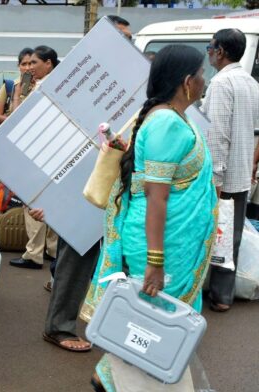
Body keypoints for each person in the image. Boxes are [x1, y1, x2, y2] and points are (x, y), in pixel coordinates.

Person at [83, 44, 216, 391]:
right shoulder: (167, 124)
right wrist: (156, 262)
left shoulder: (171, 117)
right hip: (161, 247)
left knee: (152, 324)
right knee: (151, 326)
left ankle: (109, 379)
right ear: (187, 82)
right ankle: (115, 381)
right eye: (202, 74)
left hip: (170, 242)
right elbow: (157, 199)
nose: (206, 79)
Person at [41, 16, 134, 354]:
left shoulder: (136, 86)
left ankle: (115, 326)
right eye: (117, 37)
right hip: (81, 186)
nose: (124, 44)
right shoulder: (78, 81)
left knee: (121, 261)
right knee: (77, 256)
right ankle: (60, 326)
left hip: (123, 188)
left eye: (127, 38)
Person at [202, 28, 259, 312]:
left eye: (210, 47)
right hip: (240, 173)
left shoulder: (222, 83)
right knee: (230, 236)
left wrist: (215, 178)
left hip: (222, 177)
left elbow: (218, 135)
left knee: (212, 233)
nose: (208, 52)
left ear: (221, 51)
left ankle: (207, 290)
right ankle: (222, 295)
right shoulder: (250, 82)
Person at [9, 45, 59, 271]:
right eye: (26, 63)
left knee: (34, 201)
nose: (30, 68)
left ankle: (33, 253)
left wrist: (19, 92)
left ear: (48, 64)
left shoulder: (39, 86)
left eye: (34, 63)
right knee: (51, 201)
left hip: (38, 151)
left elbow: (19, 117)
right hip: (54, 151)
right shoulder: (61, 82)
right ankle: (52, 248)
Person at [0, 47, 33, 125]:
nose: (27, 68)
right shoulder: (9, 86)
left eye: (30, 63)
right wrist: (17, 122)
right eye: (24, 64)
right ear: (19, 66)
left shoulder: (39, 86)